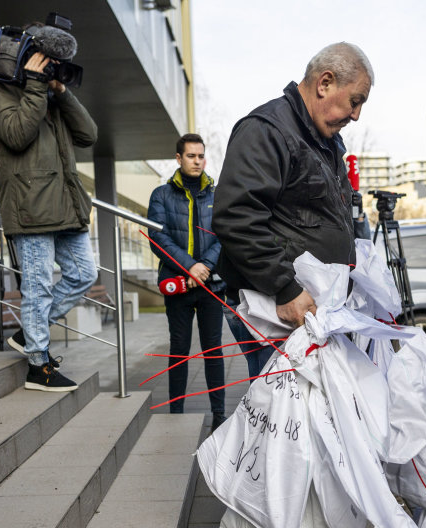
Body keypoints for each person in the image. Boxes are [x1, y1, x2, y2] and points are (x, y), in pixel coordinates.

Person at [213, 42, 374, 363]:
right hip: (278, 310)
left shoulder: (325, 141)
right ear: (325, 83)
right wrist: (284, 288)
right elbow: (236, 218)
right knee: (284, 411)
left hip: (312, 311)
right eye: (355, 102)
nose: (356, 115)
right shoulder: (267, 130)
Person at [0, 19, 98, 392]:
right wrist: (35, 87)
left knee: (83, 274)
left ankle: (30, 332)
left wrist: (61, 92)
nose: (49, 69)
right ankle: (38, 365)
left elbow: (88, 135)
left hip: (65, 204)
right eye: (45, 61)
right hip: (31, 206)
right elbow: (16, 135)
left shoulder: (49, 95)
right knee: (38, 287)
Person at [147, 134, 226, 428]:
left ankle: (219, 414)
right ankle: (175, 413)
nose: (197, 161)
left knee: (213, 350)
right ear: (178, 159)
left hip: (211, 285)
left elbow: (224, 235)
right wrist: (190, 266)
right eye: (191, 156)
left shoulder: (217, 195)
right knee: (179, 349)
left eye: (200, 156)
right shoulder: (161, 195)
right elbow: (158, 238)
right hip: (178, 285)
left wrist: (204, 266)